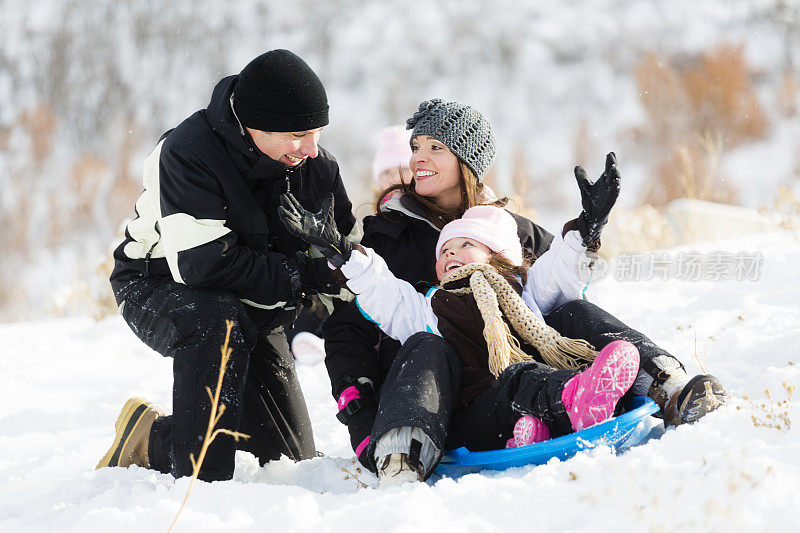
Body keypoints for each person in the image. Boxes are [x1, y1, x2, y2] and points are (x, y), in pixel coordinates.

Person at [320, 99, 728, 484]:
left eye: (435, 147)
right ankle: (404, 452)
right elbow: (364, 314)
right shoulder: (393, 243)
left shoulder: (512, 233)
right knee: (435, 345)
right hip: (437, 396)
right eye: (415, 147)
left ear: (468, 161)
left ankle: (666, 385)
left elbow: (555, 280)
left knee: (569, 314)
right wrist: (360, 411)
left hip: (521, 374)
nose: (417, 159)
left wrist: (588, 228)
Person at [96, 49, 358, 482]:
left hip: (259, 302)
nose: (312, 148)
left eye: (317, 132)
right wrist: (307, 275)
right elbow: (203, 267)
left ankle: (148, 437)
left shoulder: (316, 167)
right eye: (298, 134)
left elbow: (346, 261)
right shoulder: (187, 152)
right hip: (159, 285)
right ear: (257, 124)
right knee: (217, 319)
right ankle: (202, 486)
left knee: (288, 462)